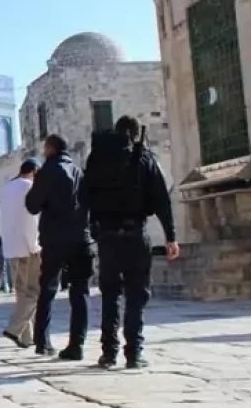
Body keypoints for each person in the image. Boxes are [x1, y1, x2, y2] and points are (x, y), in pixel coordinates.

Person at [85, 115, 180, 369]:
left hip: (107, 236)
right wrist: (170, 236)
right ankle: (134, 353)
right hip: (136, 234)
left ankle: (108, 352)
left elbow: (85, 196)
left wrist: (92, 228)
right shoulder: (145, 159)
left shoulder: (96, 158)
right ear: (136, 134)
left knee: (110, 294)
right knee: (137, 294)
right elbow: (161, 200)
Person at [25, 134, 93, 360]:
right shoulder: (79, 171)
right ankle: (77, 344)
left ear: (51, 149)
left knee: (48, 289)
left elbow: (32, 205)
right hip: (80, 238)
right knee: (80, 291)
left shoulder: (47, 171)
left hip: (54, 239)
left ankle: (42, 341)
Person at [0, 159, 42, 349]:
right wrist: (34, 246)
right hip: (27, 247)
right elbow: (30, 220)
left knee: (22, 293)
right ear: (34, 171)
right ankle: (14, 329)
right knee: (33, 292)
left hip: (11, 247)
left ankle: (27, 337)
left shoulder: (7, 188)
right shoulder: (29, 187)